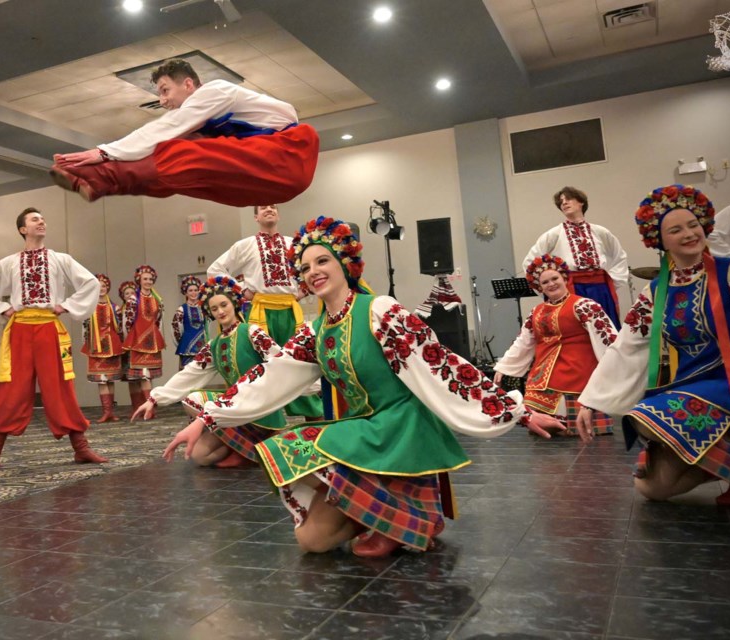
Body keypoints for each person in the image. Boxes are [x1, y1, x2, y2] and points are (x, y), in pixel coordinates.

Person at [165, 216, 564, 558]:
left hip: (401, 428)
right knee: (311, 541)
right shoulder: (316, 329)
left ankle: (405, 518)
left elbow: (443, 365)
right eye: (305, 268)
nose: (313, 272)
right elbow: (271, 374)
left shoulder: (380, 310)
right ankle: (400, 516)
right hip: (364, 432)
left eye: (322, 261)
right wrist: (206, 417)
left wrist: (518, 409)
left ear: (344, 264)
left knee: (304, 485)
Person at [577, 184, 730, 507]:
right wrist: (590, 401)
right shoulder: (656, 291)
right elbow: (626, 346)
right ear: (660, 241)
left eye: (693, 224)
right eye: (676, 229)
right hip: (693, 386)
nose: (689, 233)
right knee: (652, 489)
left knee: (640, 417)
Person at [50, 58, 318, 208]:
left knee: (179, 152)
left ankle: (101, 176)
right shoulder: (201, 121)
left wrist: (103, 152)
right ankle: (99, 183)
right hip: (268, 177)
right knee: (174, 171)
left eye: (165, 90)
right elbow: (159, 138)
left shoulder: (216, 90)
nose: (163, 101)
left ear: (189, 84)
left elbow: (164, 127)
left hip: (289, 155)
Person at [0, 207, 107, 475]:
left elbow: (90, 283)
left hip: (48, 329)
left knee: (60, 387)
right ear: (23, 229)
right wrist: (4, 309)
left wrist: (65, 306)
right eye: (34, 219)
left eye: (43, 218)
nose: (41, 221)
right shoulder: (8, 263)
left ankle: (81, 448)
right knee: (11, 390)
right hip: (19, 330)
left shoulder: (60, 259)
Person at [135, 275, 286, 467]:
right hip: (236, 408)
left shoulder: (251, 332)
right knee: (200, 455)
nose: (220, 311)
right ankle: (249, 448)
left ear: (234, 304)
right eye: (214, 309)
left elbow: (282, 362)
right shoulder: (214, 345)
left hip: (260, 406)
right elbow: (190, 374)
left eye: (224, 305)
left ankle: (253, 445)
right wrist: (154, 399)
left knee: (194, 403)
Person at [208, 203, 323, 420]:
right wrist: (242, 290)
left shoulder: (293, 244)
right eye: (263, 208)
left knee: (299, 363)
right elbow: (214, 270)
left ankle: (315, 421)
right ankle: (263, 422)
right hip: (260, 314)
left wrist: (303, 290)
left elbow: (310, 270)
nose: (269, 210)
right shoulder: (245, 245)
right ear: (255, 217)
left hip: (291, 311)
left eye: (273, 207)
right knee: (261, 367)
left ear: (278, 214)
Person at [493, 254, 618, 437]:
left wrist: (614, 366)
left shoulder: (584, 305)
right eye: (545, 282)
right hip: (544, 368)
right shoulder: (535, 312)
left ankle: (574, 424)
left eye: (554, 279)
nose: (551, 284)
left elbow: (607, 337)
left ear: (565, 279)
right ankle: (551, 424)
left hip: (578, 365)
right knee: (540, 408)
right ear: (540, 287)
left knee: (568, 386)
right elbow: (523, 342)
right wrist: (504, 366)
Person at [523, 186, 629, 327]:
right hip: (571, 290)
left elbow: (619, 256)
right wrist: (550, 289)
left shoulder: (600, 232)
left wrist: (611, 283)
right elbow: (530, 263)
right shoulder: (553, 234)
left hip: (600, 289)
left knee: (604, 328)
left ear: (581, 203)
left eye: (568, 199)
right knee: (576, 330)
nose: (564, 203)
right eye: (561, 202)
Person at [121, 265, 167, 419]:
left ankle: (147, 407)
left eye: (150, 279)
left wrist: (158, 337)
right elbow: (127, 322)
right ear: (139, 281)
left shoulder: (157, 299)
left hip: (152, 340)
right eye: (145, 279)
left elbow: (158, 321)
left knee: (148, 376)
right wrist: (130, 340)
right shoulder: (133, 300)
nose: (148, 281)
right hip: (138, 341)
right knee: (143, 376)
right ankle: (146, 407)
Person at [82, 274, 125, 423]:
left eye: (104, 286)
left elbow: (120, 328)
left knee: (111, 379)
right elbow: (85, 329)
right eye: (99, 286)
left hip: (112, 345)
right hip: (96, 347)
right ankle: (106, 411)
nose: (102, 289)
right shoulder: (90, 307)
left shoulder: (115, 308)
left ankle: (110, 412)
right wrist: (88, 344)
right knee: (101, 380)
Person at [172, 275, 207, 368]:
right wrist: (182, 343)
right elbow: (176, 330)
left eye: (196, 290)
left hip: (201, 345)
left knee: (201, 374)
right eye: (190, 290)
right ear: (186, 293)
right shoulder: (181, 309)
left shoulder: (203, 308)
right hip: (187, 347)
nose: (193, 293)